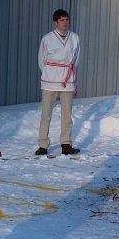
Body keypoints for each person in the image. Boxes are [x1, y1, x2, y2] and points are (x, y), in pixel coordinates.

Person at [36, 9, 81, 156]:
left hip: (67, 81)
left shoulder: (75, 38)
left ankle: (66, 144)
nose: (65, 22)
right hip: (50, 81)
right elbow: (41, 60)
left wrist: (67, 72)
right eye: (62, 20)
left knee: (67, 115)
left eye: (66, 19)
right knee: (46, 114)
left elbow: (76, 59)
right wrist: (50, 72)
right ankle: (43, 144)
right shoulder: (47, 39)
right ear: (55, 22)